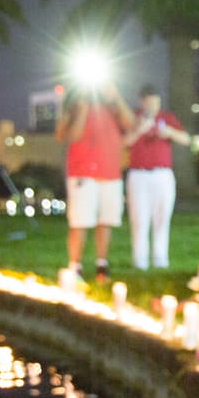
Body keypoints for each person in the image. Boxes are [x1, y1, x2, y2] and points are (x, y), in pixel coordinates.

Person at [55, 80, 134, 282]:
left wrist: (116, 97)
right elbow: (70, 136)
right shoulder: (73, 105)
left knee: (105, 221)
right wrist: (81, 108)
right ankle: (75, 266)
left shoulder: (112, 107)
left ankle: (102, 265)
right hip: (83, 174)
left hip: (110, 174)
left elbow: (131, 124)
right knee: (80, 222)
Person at [123, 84, 190, 271]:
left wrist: (169, 132)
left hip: (162, 174)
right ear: (141, 102)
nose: (152, 106)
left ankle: (160, 260)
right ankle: (140, 261)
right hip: (138, 174)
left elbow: (186, 138)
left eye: (156, 102)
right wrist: (138, 130)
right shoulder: (133, 118)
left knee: (162, 217)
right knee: (139, 218)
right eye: (149, 102)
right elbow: (123, 142)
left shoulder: (166, 119)